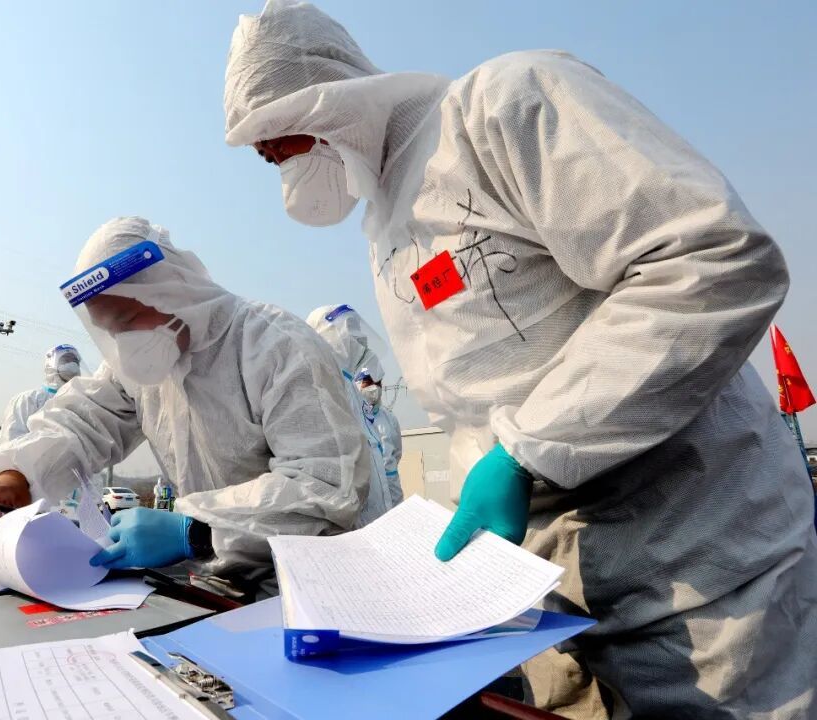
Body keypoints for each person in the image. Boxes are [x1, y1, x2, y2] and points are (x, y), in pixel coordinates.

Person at [222, 2, 817, 717]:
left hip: (699, 569)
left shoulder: (501, 107)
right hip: (544, 596)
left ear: (324, 97)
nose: (269, 158)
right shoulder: (386, 226)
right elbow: (478, 400)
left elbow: (712, 260)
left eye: (274, 135)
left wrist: (529, 449)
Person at [0, 216, 370, 600]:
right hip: (222, 583)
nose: (124, 344)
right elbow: (82, 421)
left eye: (127, 322)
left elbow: (325, 488)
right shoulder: (146, 367)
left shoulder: (276, 346)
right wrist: (15, 475)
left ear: (171, 290)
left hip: (314, 588)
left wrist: (196, 530)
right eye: (110, 331)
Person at [306, 304, 398, 522]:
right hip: (346, 528)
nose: (358, 342)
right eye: (349, 335)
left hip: (382, 524)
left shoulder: (354, 396)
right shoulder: (315, 392)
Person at [0, 345, 85, 448]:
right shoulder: (28, 399)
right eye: (66, 360)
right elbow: (11, 443)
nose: (72, 365)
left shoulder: (82, 404)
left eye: (75, 361)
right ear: (51, 366)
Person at [355, 367, 403, 507]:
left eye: (378, 383)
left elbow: (397, 453)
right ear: (357, 384)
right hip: (368, 494)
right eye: (368, 383)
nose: (374, 388)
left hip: (393, 491)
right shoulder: (352, 417)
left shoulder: (390, 418)